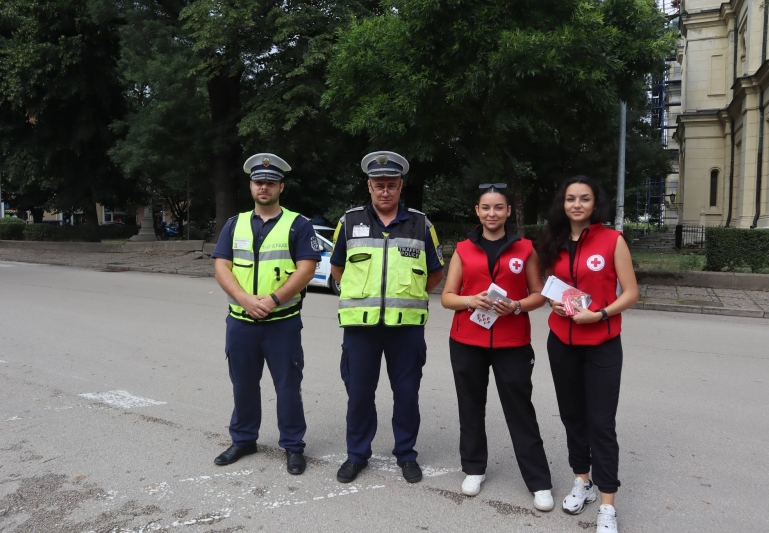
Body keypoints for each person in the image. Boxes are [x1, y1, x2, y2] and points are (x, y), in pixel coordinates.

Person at [330, 151, 445, 484]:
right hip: (360, 328)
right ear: (369, 186)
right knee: (359, 395)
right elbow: (338, 269)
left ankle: (406, 454)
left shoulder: (421, 225)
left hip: (405, 328)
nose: (384, 191)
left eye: (391, 185)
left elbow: (435, 274)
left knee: (406, 395)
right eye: (378, 185)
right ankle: (356, 455)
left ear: (400, 186)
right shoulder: (348, 222)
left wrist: (409, 297)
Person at [440, 183, 554, 511]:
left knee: (520, 411)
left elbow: (539, 294)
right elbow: (447, 297)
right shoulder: (463, 249)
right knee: (470, 407)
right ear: (477, 211)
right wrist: (469, 300)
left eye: (499, 207)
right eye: (486, 207)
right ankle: (474, 469)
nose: (492, 213)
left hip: (512, 342)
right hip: (467, 341)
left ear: (508, 211)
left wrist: (516, 306)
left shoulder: (525, 248)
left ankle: (539, 482)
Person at [537, 176, 638, 533]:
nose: (576, 205)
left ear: (595, 204)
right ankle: (583, 481)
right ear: (562, 204)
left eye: (584, 198)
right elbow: (550, 286)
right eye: (570, 199)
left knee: (601, 423)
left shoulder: (612, 240)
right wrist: (554, 303)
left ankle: (608, 504)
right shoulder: (553, 240)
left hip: (602, 343)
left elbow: (631, 292)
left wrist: (601, 314)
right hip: (561, 342)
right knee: (572, 416)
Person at [210, 153, 320, 475]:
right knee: (243, 385)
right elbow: (221, 266)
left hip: (282, 323)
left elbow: (307, 269)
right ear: (250, 185)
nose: (264, 187)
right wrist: (244, 299)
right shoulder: (235, 224)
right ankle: (244, 440)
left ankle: (293, 447)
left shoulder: (298, 224)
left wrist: (273, 300)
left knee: (288, 387)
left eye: (271, 183)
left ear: (281, 187)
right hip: (240, 322)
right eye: (259, 182)